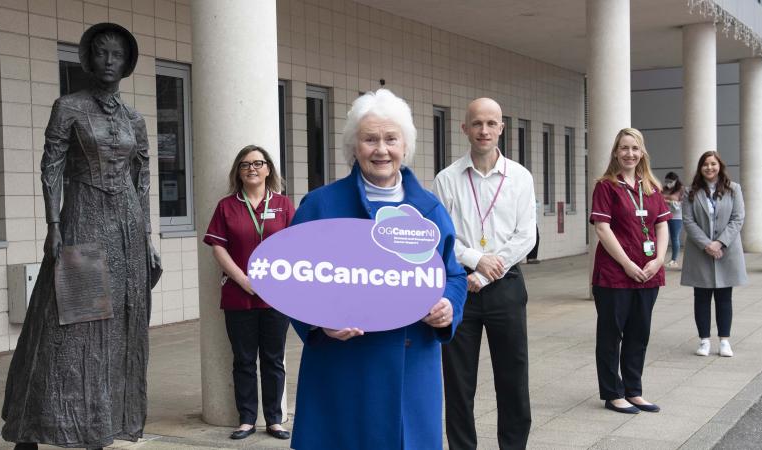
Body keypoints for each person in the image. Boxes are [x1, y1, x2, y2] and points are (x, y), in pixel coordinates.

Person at [2, 23, 159, 450]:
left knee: (120, 329)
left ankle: (100, 427)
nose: (109, 61)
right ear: (88, 59)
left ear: (128, 64)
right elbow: (50, 166)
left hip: (126, 227)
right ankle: (31, 426)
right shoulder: (68, 107)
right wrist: (53, 225)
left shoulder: (134, 119)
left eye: (118, 55)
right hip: (84, 221)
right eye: (102, 53)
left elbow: (142, 180)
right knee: (69, 327)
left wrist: (147, 237)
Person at [288, 88, 468, 450]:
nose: (381, 149)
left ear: (405, 146)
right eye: (370, 139)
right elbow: (290, 276)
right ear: (354, 147)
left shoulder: (429, 209)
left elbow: (453, 274)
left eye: (390, 139)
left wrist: (449, 304)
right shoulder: (322, 204)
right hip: (343, 364)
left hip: (410, 363)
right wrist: (317, 320)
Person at [434, 98, 537, 450]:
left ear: (501, 128)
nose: (484, 130)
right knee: (459, 382)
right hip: (460, 285)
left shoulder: (520, 177)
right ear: (464, 128)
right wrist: (476, 260)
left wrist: (490, 270)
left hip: (505, 285)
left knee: (513, 377)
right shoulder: (446, 179)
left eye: (491, 123)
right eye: (477, 123)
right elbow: (442, 235)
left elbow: (526, 235)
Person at [203, 145, 296, 440]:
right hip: (238, 294)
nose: (252, 169)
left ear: (268, 169)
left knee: (273, 359)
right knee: (243, 359)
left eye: (258, 163)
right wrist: (243, 279)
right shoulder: (227, 206)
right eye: (245, 165)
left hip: (276, 297)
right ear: (238, 172)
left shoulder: (283, 205)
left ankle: (274, 420)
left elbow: (297, 244)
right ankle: (246, 419)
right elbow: (218, 247)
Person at [589, 127, 670, 415]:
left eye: (634, 148)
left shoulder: (651, 187)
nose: (629, 153)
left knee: (639, 333)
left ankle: (634, 390)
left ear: (642, 152)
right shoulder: (606, 186)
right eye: (624, 148)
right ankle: (613, 393)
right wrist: (627, 264)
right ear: (615, 152)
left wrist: (659, 259)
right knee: (612, 334)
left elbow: (662, 225)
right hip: (614, 275)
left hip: (648, 273)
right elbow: (602, 228)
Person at [680, 151, 747, 358]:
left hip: (726, 251)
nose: (709, 168)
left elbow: (738, 218)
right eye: (705, 165)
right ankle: (704, 340)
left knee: (724, 298)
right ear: (700, 168)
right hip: (700, 253)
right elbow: (688, 221)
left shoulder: (733, 189)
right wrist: (707, 244)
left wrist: (719, 243)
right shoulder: (690, 192)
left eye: (713, 164)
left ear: (720, 166)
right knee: (701, 297)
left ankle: (724, 341)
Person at [662, 172, 685, 268]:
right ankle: (659, 258)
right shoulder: (664, 189)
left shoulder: (681, 189)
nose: (668, 183)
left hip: (676, 217)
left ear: (675, 181)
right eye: (667, 181)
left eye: (670, 181)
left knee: (674, 237)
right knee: (661, 236)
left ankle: (674, 260)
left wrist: (669, 201)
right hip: (663, 215)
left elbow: (682, 203)